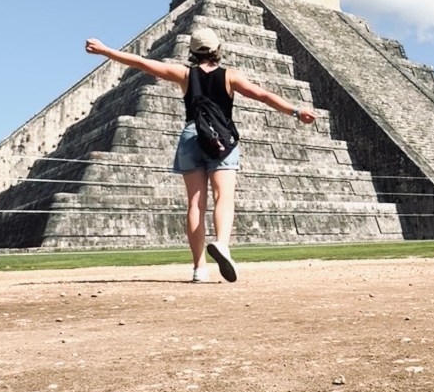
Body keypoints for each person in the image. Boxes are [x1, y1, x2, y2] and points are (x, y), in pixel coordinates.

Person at [85, 28, 316, 283]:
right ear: (218, 50)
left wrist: (105, 50)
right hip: (220, 138)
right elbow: (263, 95)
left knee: (195, 204)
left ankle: (198, 269)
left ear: (192, 52)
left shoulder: (185, 74)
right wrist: (296, 111)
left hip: (191, 136)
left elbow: (143, 63)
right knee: (223, 197)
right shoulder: (230, 76)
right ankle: (223, 245)